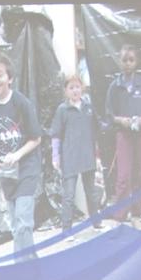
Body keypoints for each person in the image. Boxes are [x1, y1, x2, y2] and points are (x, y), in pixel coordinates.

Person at [0, 53, 42, 257]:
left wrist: (17, 154)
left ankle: (23, 273)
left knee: (24, 222)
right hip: (6, 173)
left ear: (9, 78)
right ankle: (32, 266)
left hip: (27, 168)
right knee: (16, 227)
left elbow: (36, 138)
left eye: (0, 75)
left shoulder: (21, 103)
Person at [105, 44, 141, 224]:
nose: (127, 64)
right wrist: (122, 120)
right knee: (123, 176)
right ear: (119, 62)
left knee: (139, 173)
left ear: (136, 62)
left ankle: (137, 209)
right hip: (124, 134)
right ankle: (120, 213)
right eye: (124, 60)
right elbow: (109, 115)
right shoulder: (115, 86)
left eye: (131, 60)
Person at [49, 74, 103, 233]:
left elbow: (96, 130)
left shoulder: (88, 107)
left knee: (92, 192)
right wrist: (55, 156)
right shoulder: (62, 110)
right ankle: (67, 229)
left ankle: (96, 223)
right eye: (71, 88)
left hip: (87, 155)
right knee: (69, 196)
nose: (75, 90)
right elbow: (56, 134)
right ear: (65, 91)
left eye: (77, 87)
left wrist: (98, 153)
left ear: (82, 88)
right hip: (70, 158)